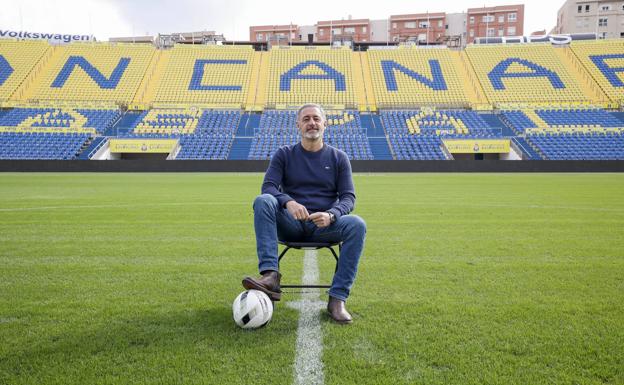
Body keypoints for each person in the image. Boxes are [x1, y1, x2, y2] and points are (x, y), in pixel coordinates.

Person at [242, 103, 367, 324]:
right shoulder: (284, 154)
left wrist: (331, 214)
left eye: (316, 119)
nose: (312, 123)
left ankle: (337, 299)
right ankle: (270, 276)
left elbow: (349, 197)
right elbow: (269, 187)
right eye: (307, 119)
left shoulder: (339, 158)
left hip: (324, 227)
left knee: (357, 224)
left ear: (325, 124)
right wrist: (288, 202)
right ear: (298, 124)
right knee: (263, 201)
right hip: (291, 224)